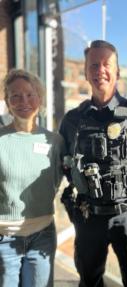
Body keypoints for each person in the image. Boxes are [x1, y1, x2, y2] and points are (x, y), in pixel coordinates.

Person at [59, 40, 127, 287]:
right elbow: (65, 165)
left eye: (106, 64)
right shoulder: (72, 121)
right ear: (86, 72)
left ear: (117, 72)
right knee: (89, 280)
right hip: (89, 216)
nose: (100, 71)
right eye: (93, 65)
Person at [0, 69, 64, 287]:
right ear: (7, 102)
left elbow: (56, 181)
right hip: (4, 238)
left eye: (29, 94)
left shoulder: (54, 141)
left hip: (42, 237)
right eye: (15, 96)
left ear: (40, 98)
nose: (23, 101)